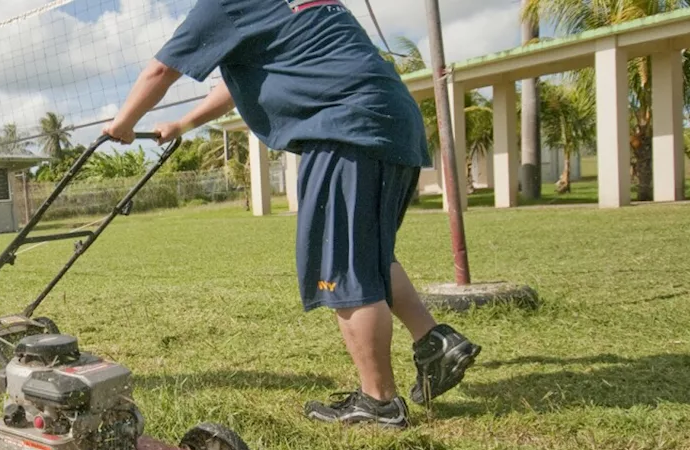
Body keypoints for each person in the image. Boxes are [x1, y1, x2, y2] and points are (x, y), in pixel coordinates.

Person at [103, 0, 481, 428]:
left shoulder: (223, 5)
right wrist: (183, 124)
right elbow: (236, 85)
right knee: (368, 254)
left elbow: (160, 70)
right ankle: (435, 343)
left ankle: (378, 403)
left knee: (342, 265)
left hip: (345, 127)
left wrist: (124, 121)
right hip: (391, 121)